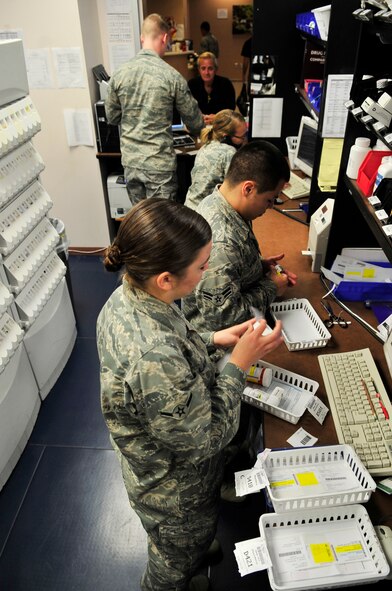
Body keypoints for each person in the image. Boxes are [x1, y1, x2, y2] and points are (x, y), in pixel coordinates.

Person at [96, 198, 283, 591]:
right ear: (165, 277)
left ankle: (193, 548)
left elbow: (174, 342)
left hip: (157, 464)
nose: (206, 274)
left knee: (191, 542)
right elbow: (205, 439)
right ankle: (174, 573)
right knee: (171, 563)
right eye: (201, 267)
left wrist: (213, 339)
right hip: (174, 490)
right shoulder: (154, 355)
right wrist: (238, 362)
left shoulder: (131, 295)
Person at [182, 140, 297, 333]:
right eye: (269, 199)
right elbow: (223, 319)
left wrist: (257, 266)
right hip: (217, 347)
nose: (270, 207)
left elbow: (229, 266)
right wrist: (272, 287)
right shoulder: (220, 243)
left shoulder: (218, 201)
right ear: (248, 189)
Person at [105, 13, 204, 204]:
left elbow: (112, 117)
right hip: (160, 167)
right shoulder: (172, 76)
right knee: (162, 226)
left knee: (141, 223)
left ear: (142, 37)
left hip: (131, 163)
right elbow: (195, 123)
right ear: (165, 38)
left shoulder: (119, 74)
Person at [184, 109, 247, 211]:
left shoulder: (206, 146)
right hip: (206, 213)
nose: (244, 140)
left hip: (190, 208)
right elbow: (237, 190)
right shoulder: (228, 152)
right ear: (226, 137)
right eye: (242, 137)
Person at [188, 52, 236, 125]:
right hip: (198, 125)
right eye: (203, 68)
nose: (206, 72)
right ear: (199, 70)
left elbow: (231, 111)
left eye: (210, 68)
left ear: (216, 69)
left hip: (221, 125)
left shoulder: (226, 84)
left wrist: (217, 118)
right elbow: (187, 109)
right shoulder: (191, 84)